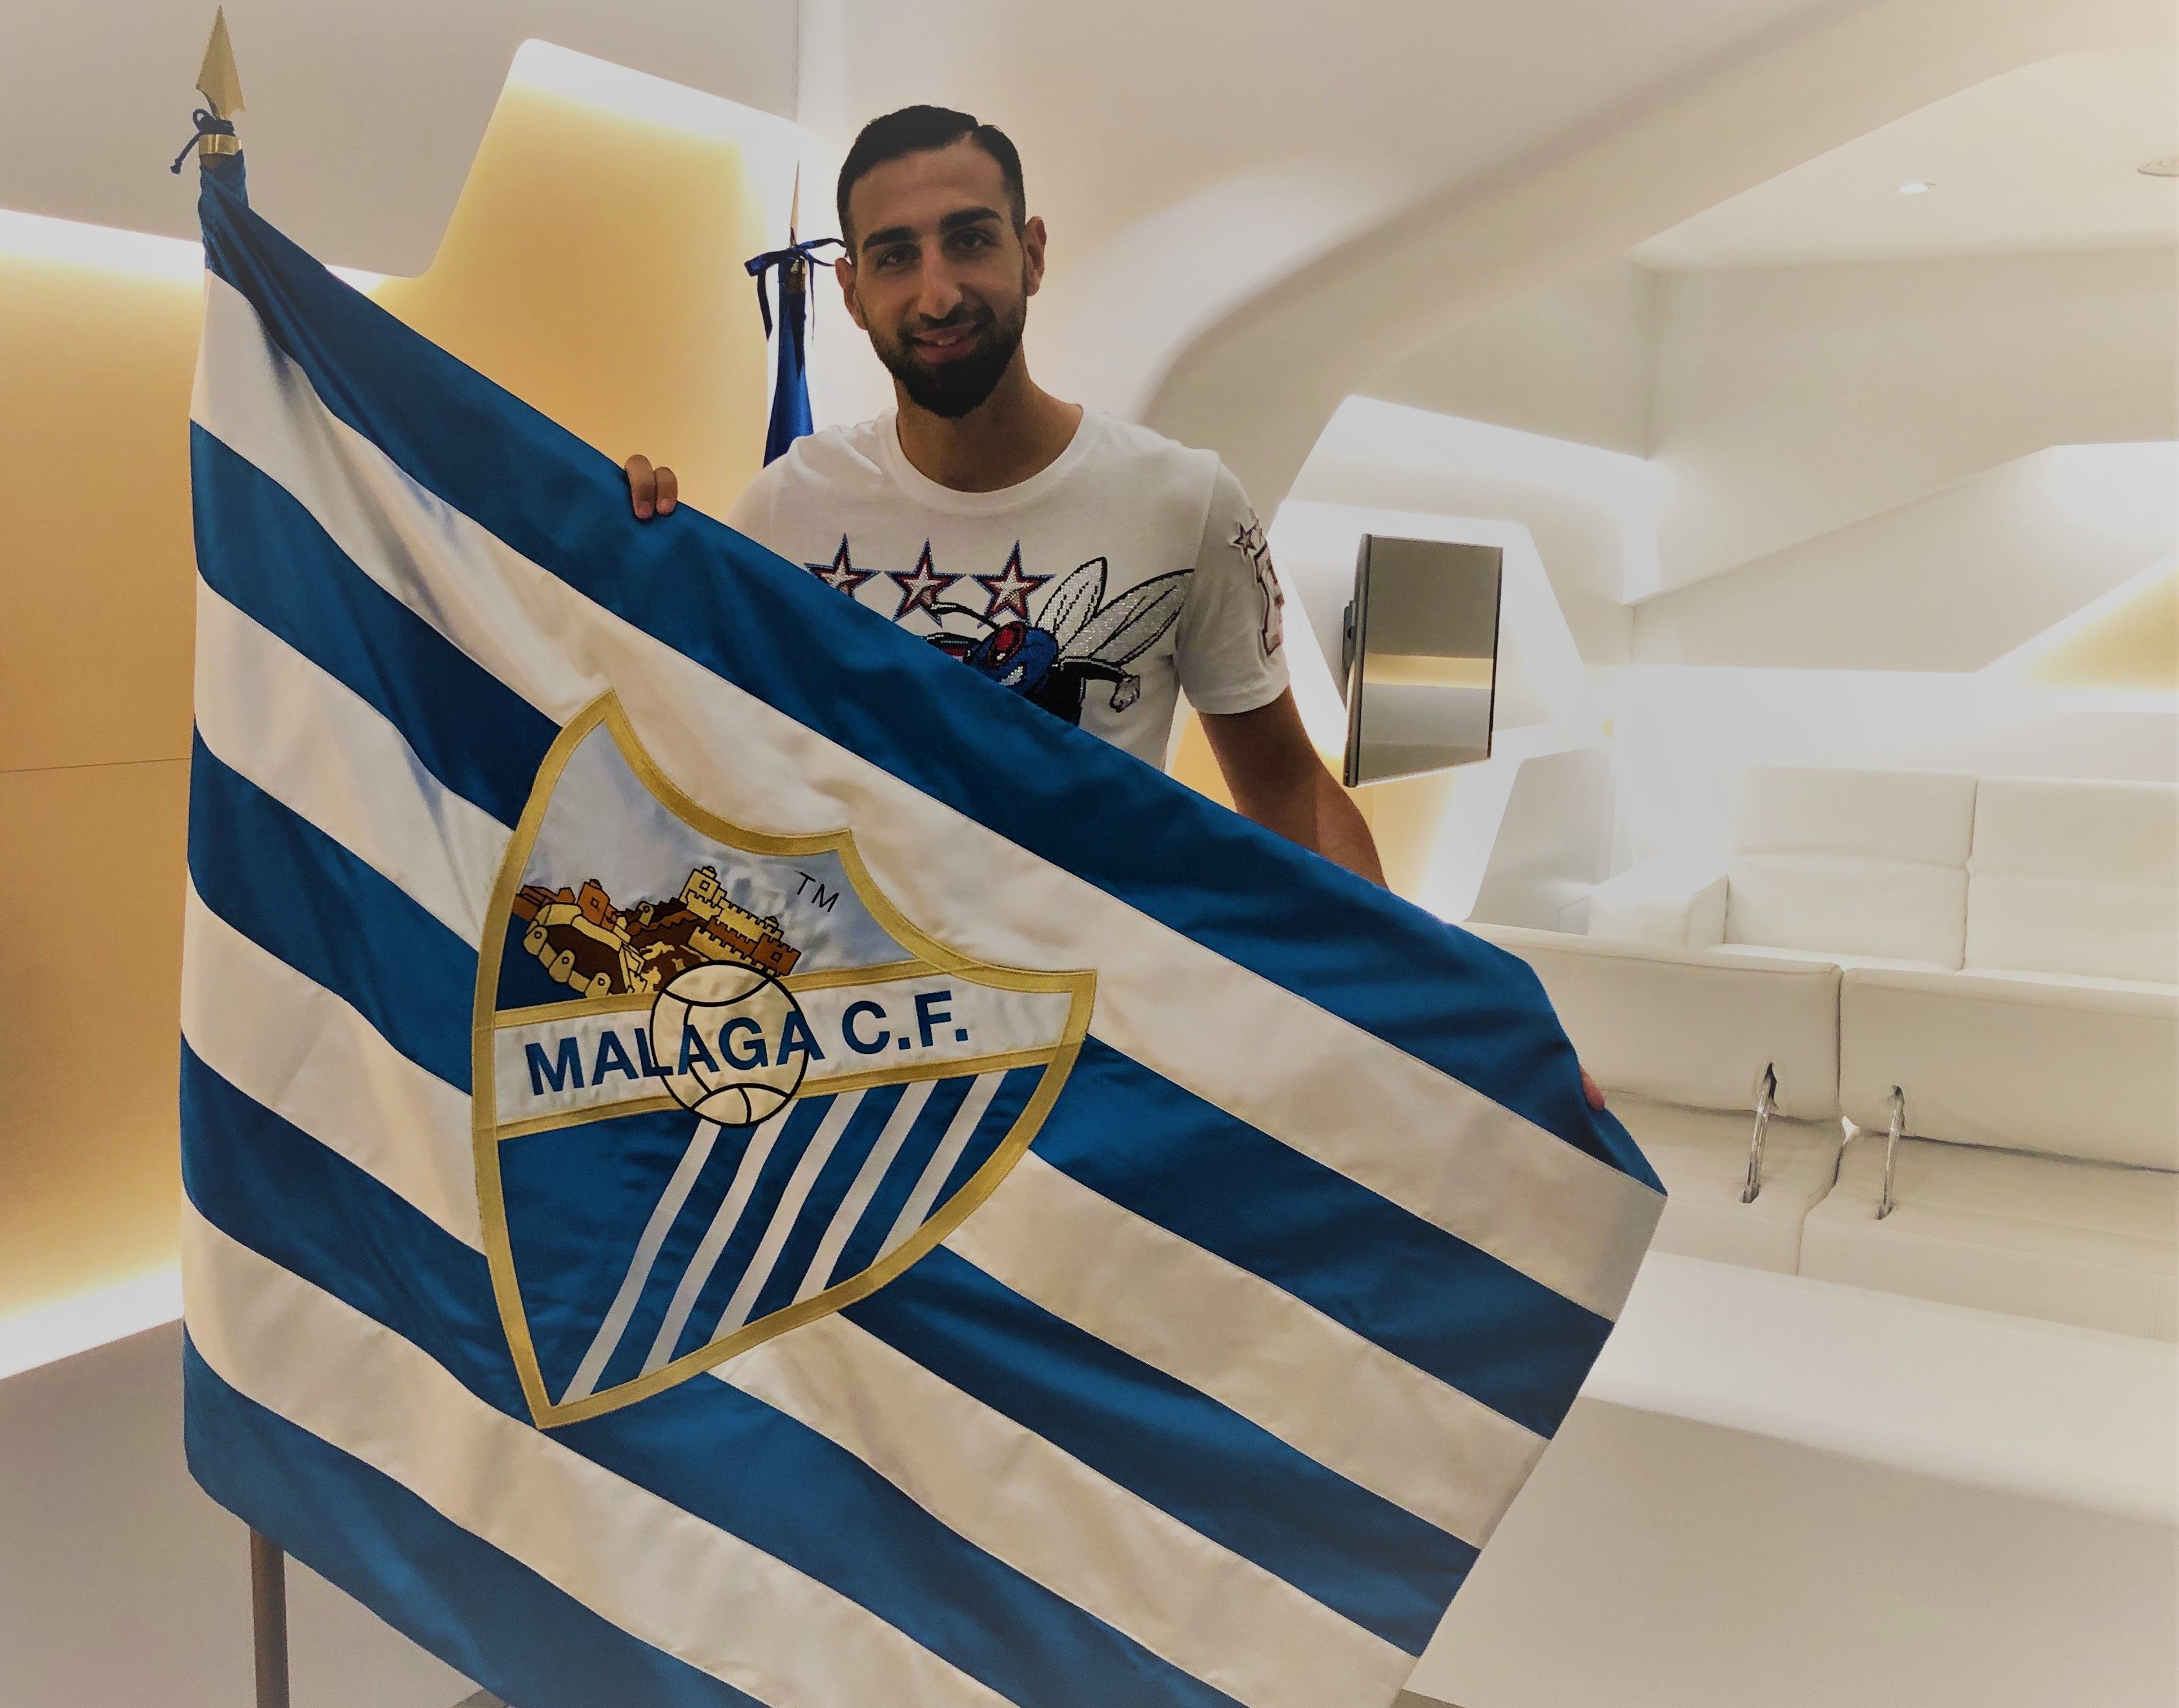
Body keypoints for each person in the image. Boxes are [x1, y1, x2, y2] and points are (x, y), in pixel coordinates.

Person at [627, 105, 1602, 1104]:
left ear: (1032, 252)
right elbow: (688, 765)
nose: (938, 290)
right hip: (859, 1060)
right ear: (850, 290)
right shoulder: (786, 506)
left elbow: (1286, 792)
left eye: (970, 239)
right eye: (894, 256)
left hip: (1097, 1074)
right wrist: (613, 540)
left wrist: (1434, 1014)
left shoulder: (1182, 501)